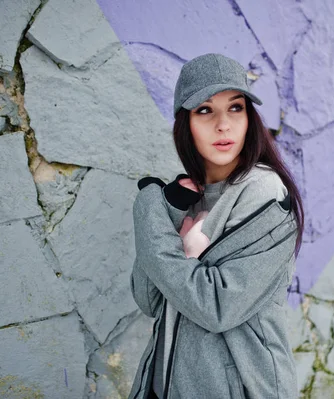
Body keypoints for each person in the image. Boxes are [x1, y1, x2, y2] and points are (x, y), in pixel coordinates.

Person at [128, 53, 304, 399]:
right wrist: (172, 213)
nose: (223, 124)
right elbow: (149, 299)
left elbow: (216, 306)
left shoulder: (263, 192)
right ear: (186, 123)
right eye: (205, 110)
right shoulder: (187, 197)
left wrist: (148, 209)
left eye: (235, 108)